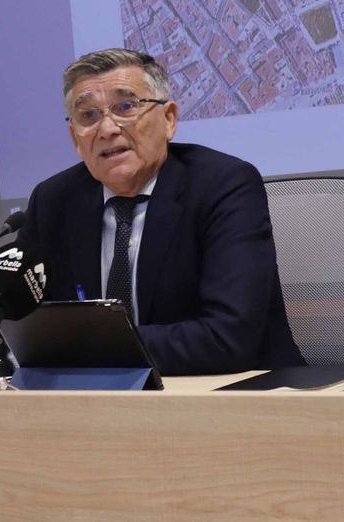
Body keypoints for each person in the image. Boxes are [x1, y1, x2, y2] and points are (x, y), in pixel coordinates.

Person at [18, 48, 303, 375]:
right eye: (89, 116)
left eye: (125, 107)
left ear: (169, 119)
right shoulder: (53, 201)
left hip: (238, 398)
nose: (107, 129)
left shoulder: (223, 186)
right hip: (98, 403)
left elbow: (229, 337)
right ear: (74, 138)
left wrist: (85, 346)